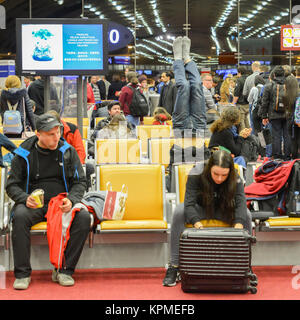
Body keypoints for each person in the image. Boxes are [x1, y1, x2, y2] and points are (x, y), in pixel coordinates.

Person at [6, 113, 90, 290]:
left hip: (61, 203)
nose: (56, 137)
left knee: (83, 217)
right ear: (39, 134)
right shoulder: (23, 153)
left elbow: (80, 182)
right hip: (34, 204)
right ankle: (22, 274)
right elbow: (12, 185)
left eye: (58, 132)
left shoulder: (68, 151)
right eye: (51, 134)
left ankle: (64, 270)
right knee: (20, 216)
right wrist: (24, 198)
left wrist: (72, 199)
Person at [162, 149, 252, 286]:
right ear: (209, 167)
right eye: (216, 174)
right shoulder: (196, 172)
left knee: (246, 215)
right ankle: (174, 266)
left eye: (224, 175)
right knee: (179, 212)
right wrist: (196, 223)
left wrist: (239, 223)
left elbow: (240, 201)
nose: (219, 179)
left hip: (223, 210)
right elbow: (189, 202)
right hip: (201, 208)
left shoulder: (236, 176)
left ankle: (244, 266)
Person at [171, 36, 206, 134]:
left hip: (180, 125)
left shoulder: (177, 149)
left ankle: (178, 59)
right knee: (197, 84)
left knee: (184, 86)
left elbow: (174, 148)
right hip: (199, 125)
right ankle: (187, 59)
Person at [260, 66, 291, 160]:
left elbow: (264, 102)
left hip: (274, 114)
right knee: (287, 135)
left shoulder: (269, 86)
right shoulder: (289, 85)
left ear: (274, 75)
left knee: (276, 136)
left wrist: (264, 116)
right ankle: (287, 156)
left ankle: (277, 156)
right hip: (287, 114)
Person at [233, 66, 249, 131]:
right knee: (246, 119)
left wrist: (233, 103)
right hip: (248, 103)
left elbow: (236, 93)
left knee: (241, 120)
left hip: (241, 104)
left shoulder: (239, 80)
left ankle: (243, 136)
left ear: (239, 72)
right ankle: (249, 134)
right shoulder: (249, 78)